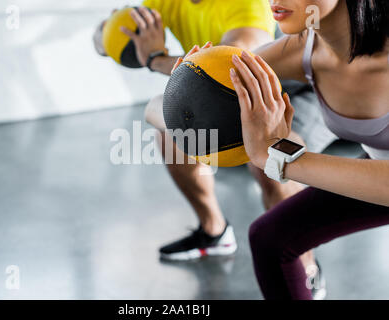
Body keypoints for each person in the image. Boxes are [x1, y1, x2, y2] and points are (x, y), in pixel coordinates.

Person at [94, 1, 335, 296]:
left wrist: (156, 58)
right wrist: (109, 33)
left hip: (299, 88)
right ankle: (214, 232)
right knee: (172, 132)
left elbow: (230, 67)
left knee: (273, 159)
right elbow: (102, 43)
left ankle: (306, 268)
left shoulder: (246, 6)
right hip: (231, 94)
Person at [177, 0, 388, 299]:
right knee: (271, 238)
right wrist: (187, 86)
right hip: (377, 167)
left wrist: (278, 156)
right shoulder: (305, 50)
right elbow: (164, 106)